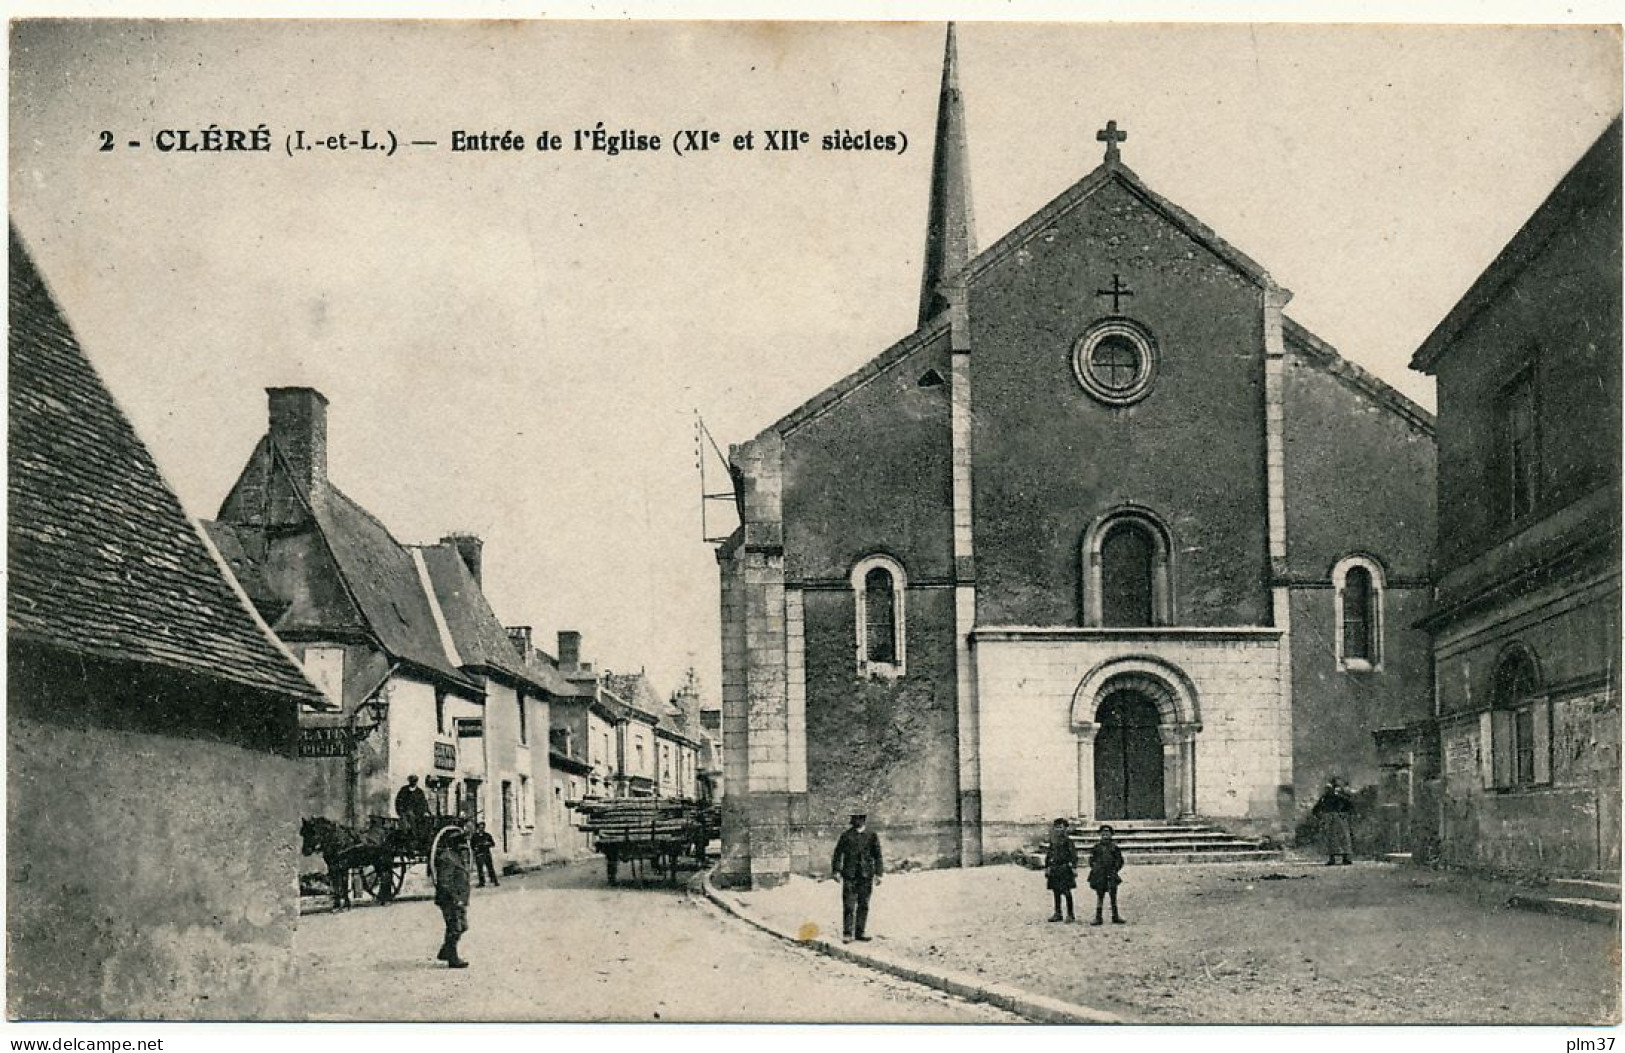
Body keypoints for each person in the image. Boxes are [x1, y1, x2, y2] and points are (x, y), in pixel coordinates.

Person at [830, 812, 883, 943]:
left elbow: (878, 855)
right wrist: (836, 870)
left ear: (863, 819)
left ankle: (860, 932)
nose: (854, 821)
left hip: (866, 875)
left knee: (863, 904)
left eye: (857, 818)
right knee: (849, 904)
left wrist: (879, 873)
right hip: (850, 875)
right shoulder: (846, 836)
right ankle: (847, 933)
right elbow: (838, 853)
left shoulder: (871, 835)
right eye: (853, 818)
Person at [432, 825, 472, 969]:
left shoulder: (457, 857)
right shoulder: (447, 858)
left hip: (459, 899)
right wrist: (455, 898)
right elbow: (444, 881)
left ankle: (445, 950)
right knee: (455, 926)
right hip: (450, 899)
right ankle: (452, 958)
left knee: (463, 926)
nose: (464, 847)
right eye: (460, 843)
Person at [1087, 824, 1126, 925]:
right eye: (1103, 833)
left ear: (1111, 835)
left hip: (1111, 874)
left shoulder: (1114, 848)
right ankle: (1098, 917)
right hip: (1100, 875)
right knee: (1100, 895)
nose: (1105, 835)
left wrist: (1115, 869)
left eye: (1107, 833)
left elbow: (1120, 860)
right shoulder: (1097, 847)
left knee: (1113, 895)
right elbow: (1091, 860)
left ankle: (1115, 916)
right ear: (1100, 834)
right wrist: (1096, 869)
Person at [1311, 777, 1356, 865]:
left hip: (1340, 819)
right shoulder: (1325, 798)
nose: (1328, 790)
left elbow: (1350, 806)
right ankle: (1332, 858)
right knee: (1331, 840)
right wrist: (1320, 816)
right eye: (1327, 789)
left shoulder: (1340, 797)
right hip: (1330, 820)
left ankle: (1346, 858)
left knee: (1343, 839)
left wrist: (1345, 814)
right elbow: (1316, 809)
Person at [1044, 817, 1078, 922]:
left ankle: (1070, 914)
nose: (1059, 830)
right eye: (1057, 827)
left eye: (1061, 827)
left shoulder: (1068, 842)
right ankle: (1058, 913)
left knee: (1067, 892)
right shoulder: (1053, 841)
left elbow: (1073, 856)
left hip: (1065, 869)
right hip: (1054, 869)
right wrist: (1047, 867)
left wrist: (1073, 867)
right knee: (1056, 892)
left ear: (1066, 829)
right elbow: (1049, 855)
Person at [395, 775, 431, 839]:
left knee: (418, 826)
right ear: (409, 781)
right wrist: (400, 811)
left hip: (417, 815)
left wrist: (426, 811)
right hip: (404, 814)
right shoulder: (404, 790)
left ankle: (415, 837)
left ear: (416, 782)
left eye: (415, 781)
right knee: (404, 826)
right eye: (411, 781)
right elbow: (398, 801)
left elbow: (423, 803)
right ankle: (405, 836)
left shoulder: (419, 792)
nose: (413, 783)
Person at [471, 821, 500, 888]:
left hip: (486, 853)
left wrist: (488, 843)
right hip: (479, 854)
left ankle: (494, 881)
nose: (482, 828)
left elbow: (493, 844)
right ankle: (481, 882)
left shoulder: (487, 835)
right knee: (480, 869)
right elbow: (472, 845)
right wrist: (475, 848)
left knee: (490, 868)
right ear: (478, 828)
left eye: (483, 827)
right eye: (480, 827)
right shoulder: (475, 836)